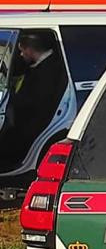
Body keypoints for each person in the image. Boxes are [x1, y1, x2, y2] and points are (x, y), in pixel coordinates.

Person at [5, 33, 67, 165]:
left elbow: (38, 100)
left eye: (22, 51)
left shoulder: (48, 70)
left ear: (29, 50)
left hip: (36, 124)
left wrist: (14, 102)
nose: (21, 55)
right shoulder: (46, 64)